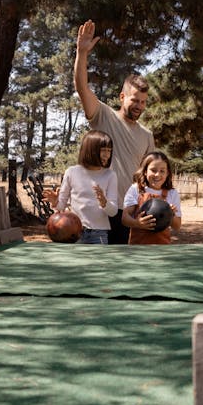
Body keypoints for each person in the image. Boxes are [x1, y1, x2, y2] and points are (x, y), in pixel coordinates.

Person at [73, 19, 156, 245]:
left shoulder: (147, 135)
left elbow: (148, 178)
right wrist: (82, 53)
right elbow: (82, 88)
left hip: (127, 212)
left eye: (143, 102)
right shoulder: (103, 115)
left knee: (119, 271)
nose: (139, 105)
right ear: (122, 97)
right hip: (97, 211)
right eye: (134, 100)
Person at [55, 130, 118, 244]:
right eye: (103, 150)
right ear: (90, 150)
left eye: (109, 151)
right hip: (73, 231)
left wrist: (104, 202)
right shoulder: (72, 172)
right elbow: (61, 205)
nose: (107, 155)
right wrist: (55, 202)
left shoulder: (110, 175)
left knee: (99, 262)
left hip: (99, 233)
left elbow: (113, 212)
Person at [122, 151, 182, 244]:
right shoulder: (136, 189)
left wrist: (171, 214)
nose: (157, 174)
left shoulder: (172, 193)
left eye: (162, 171)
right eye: (153, 170)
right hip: (138, 248)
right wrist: (136, 223)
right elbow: (124, 218)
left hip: (162, 248)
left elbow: (177, 226)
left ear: (167, 173)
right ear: (145, 171)